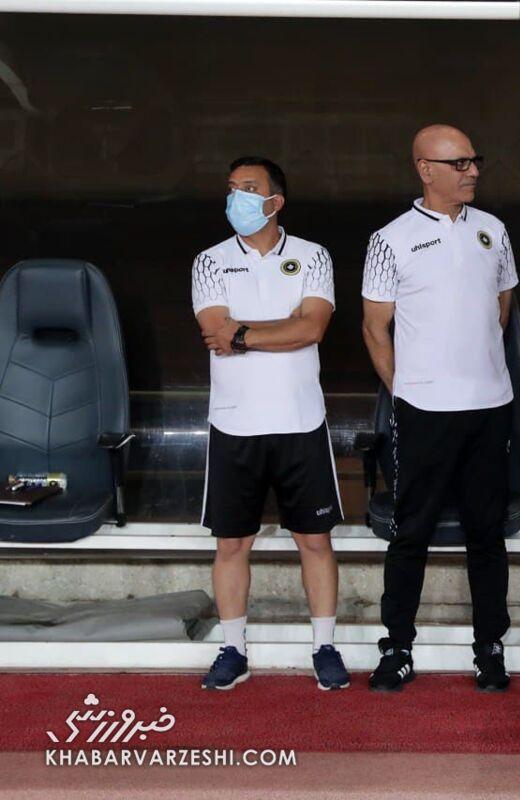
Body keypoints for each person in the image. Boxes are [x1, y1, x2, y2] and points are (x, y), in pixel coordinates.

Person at [361, 124, 517, 693]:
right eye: (459, 163)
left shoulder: (494, 230)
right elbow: (374, 327)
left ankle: (490, 649)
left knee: (487, 535)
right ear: (425, 169)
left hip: (491, 408)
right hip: (424, 413)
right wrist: (408, 390)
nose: (472, 171)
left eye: (475, 161)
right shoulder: (390, 239)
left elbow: (501, 308)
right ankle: (397, 647)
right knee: (412, 532)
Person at [191, 156, 349, 691]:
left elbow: (313, 328)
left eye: (248, 188)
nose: (235, 197)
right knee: (232, 545)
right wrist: (280, 328)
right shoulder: (210, 261)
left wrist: (243, 334)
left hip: (301, 422)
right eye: (231, 187)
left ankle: (324, 646)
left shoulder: (313, 255)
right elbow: (214, 330)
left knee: (315, 540)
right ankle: (233, 649)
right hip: (233, 425)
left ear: (274, 202)